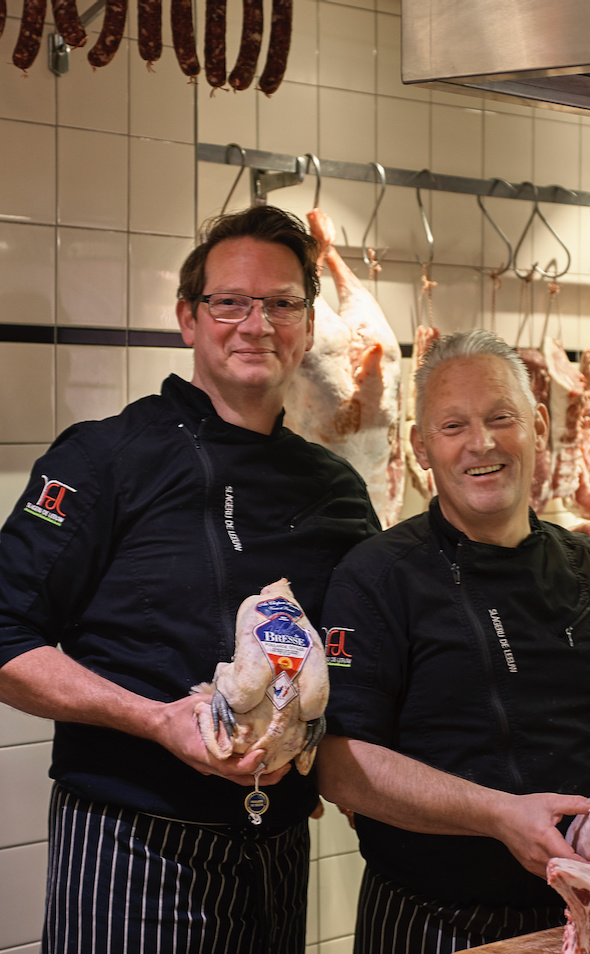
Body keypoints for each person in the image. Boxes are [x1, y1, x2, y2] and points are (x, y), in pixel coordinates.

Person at [0, 206, 381, 953]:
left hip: (274, 848)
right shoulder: (106, 458)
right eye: (230, 302)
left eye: (281, 304)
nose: (257, 324)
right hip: (131, 841)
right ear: (188, 318)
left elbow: (361, 649)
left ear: (305, 323)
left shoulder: (336, 488)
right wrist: (155, 720)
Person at [316, 329, 590, 954]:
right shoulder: (375, 576)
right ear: (420, 446)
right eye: (453, 426)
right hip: (431, 921)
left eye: (501, 418)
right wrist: (495, 814)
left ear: (539, 424)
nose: (481, 444)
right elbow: (340, 763)